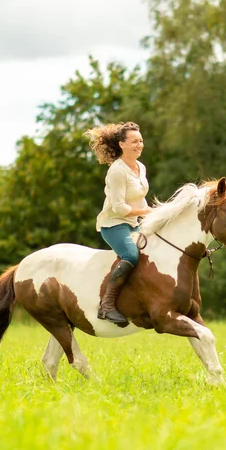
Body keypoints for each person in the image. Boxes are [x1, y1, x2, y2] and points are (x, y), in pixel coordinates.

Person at [85, 121, 151, 324]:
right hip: (114, 224)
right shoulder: (117, 171)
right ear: (122, 144)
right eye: (134, 141)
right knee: (131, 254)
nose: (139, 145)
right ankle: (106, 306)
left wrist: (153, 216)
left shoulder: (141, 167)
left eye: (140, 141)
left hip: (134, 223)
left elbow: (140, 197)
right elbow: (119, 207)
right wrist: (146, 211)